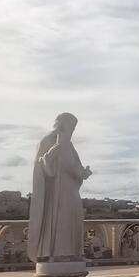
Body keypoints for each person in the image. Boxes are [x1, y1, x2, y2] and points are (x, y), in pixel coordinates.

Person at [27, 112, 93, 263]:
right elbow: (41, 166)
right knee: (60, 220)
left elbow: (74, 166)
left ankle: (74, 253)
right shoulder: (47, 140)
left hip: (71, 189)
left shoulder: (69, 145)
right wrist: (56, 148)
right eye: (72, 127)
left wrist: (83, 173)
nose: (72, 131)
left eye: (74, 128)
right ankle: (57, 254)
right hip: (56, 190)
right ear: (63, 124)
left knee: (73, 218)